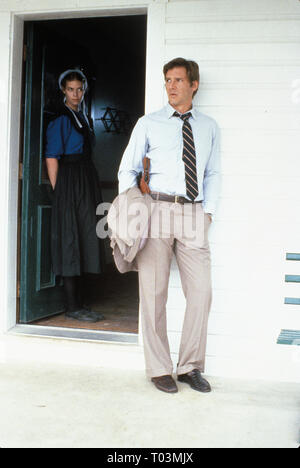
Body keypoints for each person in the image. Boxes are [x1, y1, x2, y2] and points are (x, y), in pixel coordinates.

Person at [118, 58, 221, 393]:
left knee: (201, 293)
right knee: (154, 292)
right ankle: (159, 367)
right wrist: (135, 210)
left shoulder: (208, 126)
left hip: (193, 212)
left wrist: (208, 214)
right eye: (167, 80)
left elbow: (212, 173)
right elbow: (127, 170)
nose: (172, 86)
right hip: (157, 210)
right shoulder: (149, 123)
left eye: (178, 80)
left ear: (194, 84)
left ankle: (190, 366)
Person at [45, 69, 104, 323]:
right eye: (71, 89)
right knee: (70, 239)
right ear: (63, 91)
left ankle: (81, 302)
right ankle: (71, 305)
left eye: (79, 89)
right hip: (69, 181)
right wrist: (60, 192)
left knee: (86, 235)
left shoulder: (83, 117)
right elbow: (51, 156)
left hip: (86, 179)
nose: (76, 94)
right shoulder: (60, 119)